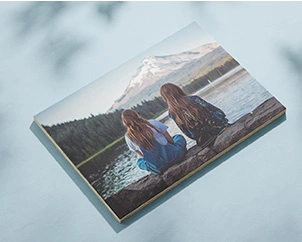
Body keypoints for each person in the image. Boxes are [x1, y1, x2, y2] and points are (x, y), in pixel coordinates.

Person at [160, 83, 230, 148]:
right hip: (220, 128)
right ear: (177, 89)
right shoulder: (194, 99)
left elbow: (188, 133)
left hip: (205, 141)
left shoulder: (172, 113)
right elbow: (218, 112)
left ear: (165, 98)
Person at [121, 109, 187, 175]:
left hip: (158, 168)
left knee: (139, 162)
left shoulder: (128, 136)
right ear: (137, 115)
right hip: (174, 157)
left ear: (125, 122)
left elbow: (141, 155)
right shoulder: (153, 123)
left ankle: (153, 166)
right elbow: (171, 141)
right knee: (178, 137)